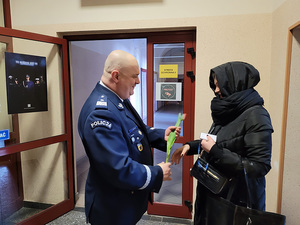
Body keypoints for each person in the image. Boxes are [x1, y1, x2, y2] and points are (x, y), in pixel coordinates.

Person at [78, 50, 181, 225]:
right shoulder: (100, 114)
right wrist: (156, 173)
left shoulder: (116, 99)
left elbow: (133, 129)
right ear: (116, 76)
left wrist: (160, 135)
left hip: (123, 200)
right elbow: (117, 168)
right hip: (112, 208)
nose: (139, 81)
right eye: (134, 76)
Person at [171, 61, 273, 225]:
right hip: (215, 194)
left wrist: (216, 152)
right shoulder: (229, 109)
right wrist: (190, 146)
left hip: (235, 202)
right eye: (215, 85)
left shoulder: (256, 115)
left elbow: (259, 166)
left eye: (220, 85)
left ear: (235, 83)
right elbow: (220, 141)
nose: (216, 90)